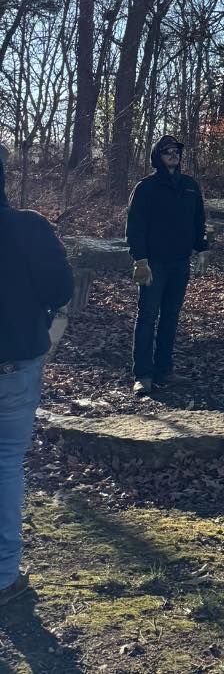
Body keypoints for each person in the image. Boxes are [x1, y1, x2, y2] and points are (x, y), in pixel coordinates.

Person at [0, 148, 73, 607]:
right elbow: (61, 289)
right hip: (14, 366)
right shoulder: (28, 227)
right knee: (6, 466)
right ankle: (4, 577)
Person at [125, 135, 208, 397]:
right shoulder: (146, 188)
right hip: (153, 264)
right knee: (147, 317)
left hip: (180, 263)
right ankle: (142, 375)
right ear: (157, 157)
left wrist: (202, 249)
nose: (173, 155)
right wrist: (140, 259)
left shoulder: (190, 186)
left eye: (176, 151)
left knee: (170, 318)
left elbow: (199, 221)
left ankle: (164, 370)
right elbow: (135, 227)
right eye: (167, 151)